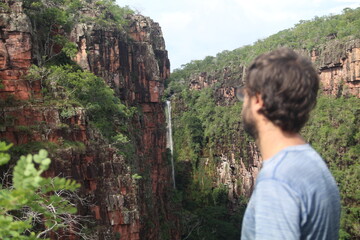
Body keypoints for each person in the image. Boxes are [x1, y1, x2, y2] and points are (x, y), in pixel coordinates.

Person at [237, 48, 341, 240]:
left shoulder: (277, 181)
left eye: (245, 95)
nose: (243, 104)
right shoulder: (313, 163)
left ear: (258, 100)